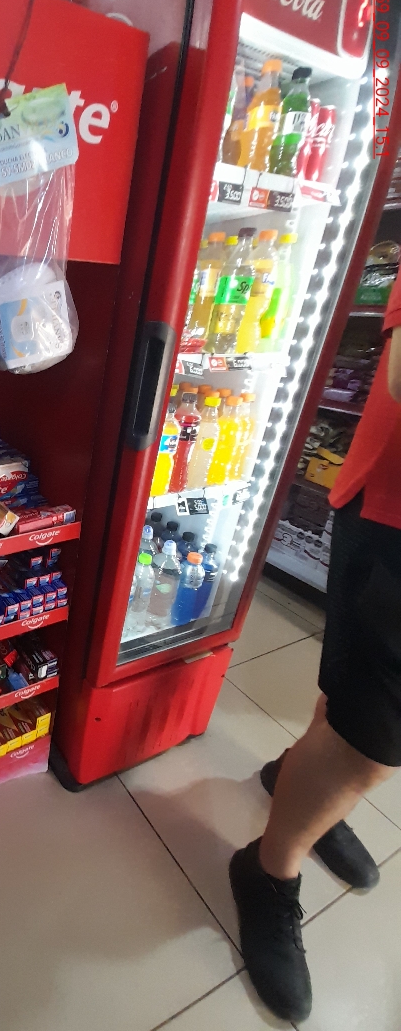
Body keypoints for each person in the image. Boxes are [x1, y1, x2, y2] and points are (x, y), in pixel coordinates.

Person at [229, 275, 401, 1022]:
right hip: (396, 515)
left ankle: (301, 783)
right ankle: (269, 871)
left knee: (351, 710)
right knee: (373, 745)